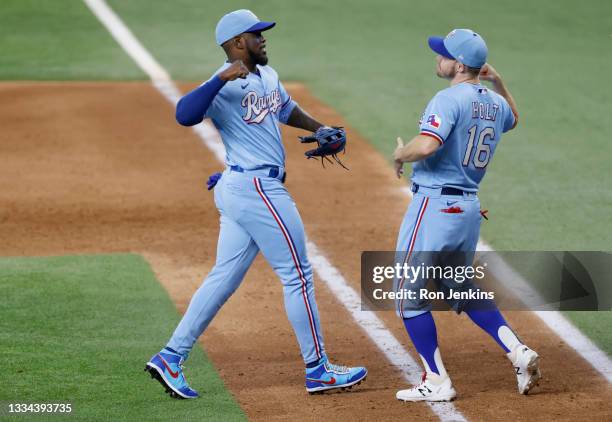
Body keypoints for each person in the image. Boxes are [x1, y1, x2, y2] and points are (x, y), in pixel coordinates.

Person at [144, 9, 366, 399]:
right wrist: (218, 79)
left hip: (243, 187)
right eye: (256, 34)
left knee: (223, 278)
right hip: (257, 189)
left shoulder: (268, 75)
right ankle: (318, 370)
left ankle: (170, 356)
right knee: (297, 275)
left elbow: (284, 109)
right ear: (235, 44)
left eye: (262, 33)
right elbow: (184, 114)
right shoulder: (223, 84)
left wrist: (321, 128)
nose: (263, 38)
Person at [392, 29, 541, 402]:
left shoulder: (447, 99)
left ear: (459, 65)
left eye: (443, 54)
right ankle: (517, 350)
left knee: (407, 297)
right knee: (458, 286)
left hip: (434, 208)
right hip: (468, 210)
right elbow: (515, 118)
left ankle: (436, 380)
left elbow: (427, 145)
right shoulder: (495, 103)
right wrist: (500, 82)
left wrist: (400, 155)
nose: (437, 58)